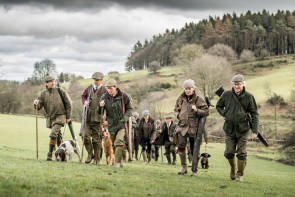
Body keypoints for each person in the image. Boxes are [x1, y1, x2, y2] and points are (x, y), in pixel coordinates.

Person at [216, 74, 259, 182]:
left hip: (243, 129)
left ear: (243, 84)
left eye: (239, 84)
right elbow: (218, 106)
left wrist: (255, 130)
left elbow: (255, 114)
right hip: (229, 129)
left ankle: (240, 174)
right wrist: (224, 114)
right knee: (229, 152)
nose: (237, 86)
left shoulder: (249, 96)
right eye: (235, 84)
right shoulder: (226, 94)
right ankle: (233, 168)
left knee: (241, 153)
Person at [174, 79, 209, 175]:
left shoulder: (199, 99)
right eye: (186, 89)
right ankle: (183, 167)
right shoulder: (180, 99)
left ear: (193, 88)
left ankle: (194, 170)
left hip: (194, 128)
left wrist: (197, 110)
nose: (187, 90)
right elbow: (175, 110)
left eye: (189, 88)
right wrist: (178, 115)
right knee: (181, 146)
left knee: (194, 149)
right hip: (182, 127)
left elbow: (206, 112)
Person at [33, 76, 72, 161]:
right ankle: (62, 155)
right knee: (58, 137)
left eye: (53, 81)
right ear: (46, 83)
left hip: (61, 116)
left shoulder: (60, 91)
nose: (52, 82)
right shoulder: (43, 93)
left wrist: (68, 117)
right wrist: (36, 103)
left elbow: (68, 104)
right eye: (50, 81)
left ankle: (50, 154)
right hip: (51, 118)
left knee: (53, 133)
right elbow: (39, 106)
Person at [99, 79, 132, 167]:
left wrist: (125, 118)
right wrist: (100, 106)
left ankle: (117, 163)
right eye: (107, 88)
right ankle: (119, 161)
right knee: (113, 144)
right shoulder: (104, 97)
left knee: (119, 141)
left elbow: (129, 109)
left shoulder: (124, 96)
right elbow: (100, 112)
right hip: (111, 125)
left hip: (121, 124)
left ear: (115, 87)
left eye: (111, 88)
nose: (109, 90)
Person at [81, 72, 106, 164]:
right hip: (87, 117)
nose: (96, 82)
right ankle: (90, 154)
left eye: (98, 80)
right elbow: (83, 96)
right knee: (85, 136)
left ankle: (97, 159)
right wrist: (85, 102)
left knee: (97, 140)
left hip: (98, 118)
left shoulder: (105, 90)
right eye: (94, 80)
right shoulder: (89, 88)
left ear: (101, 80)